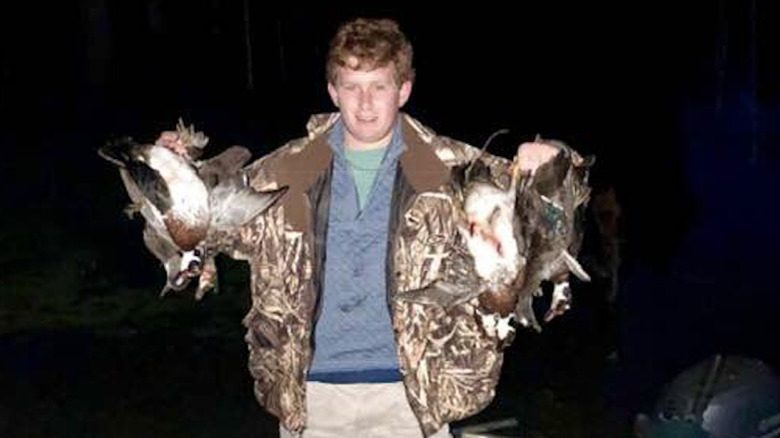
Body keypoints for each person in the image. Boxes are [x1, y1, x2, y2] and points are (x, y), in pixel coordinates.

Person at [159, 17, 582, 438]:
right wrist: (173, 177)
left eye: (379, 86)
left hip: (414, 399)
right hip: (311, 399)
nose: (364, 103)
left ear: (403, 91)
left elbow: (549, 222)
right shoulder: (291, 170)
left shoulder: (452, 172)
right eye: (351, 86)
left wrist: (553, 163)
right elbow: (205, 233)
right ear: (332, 91)